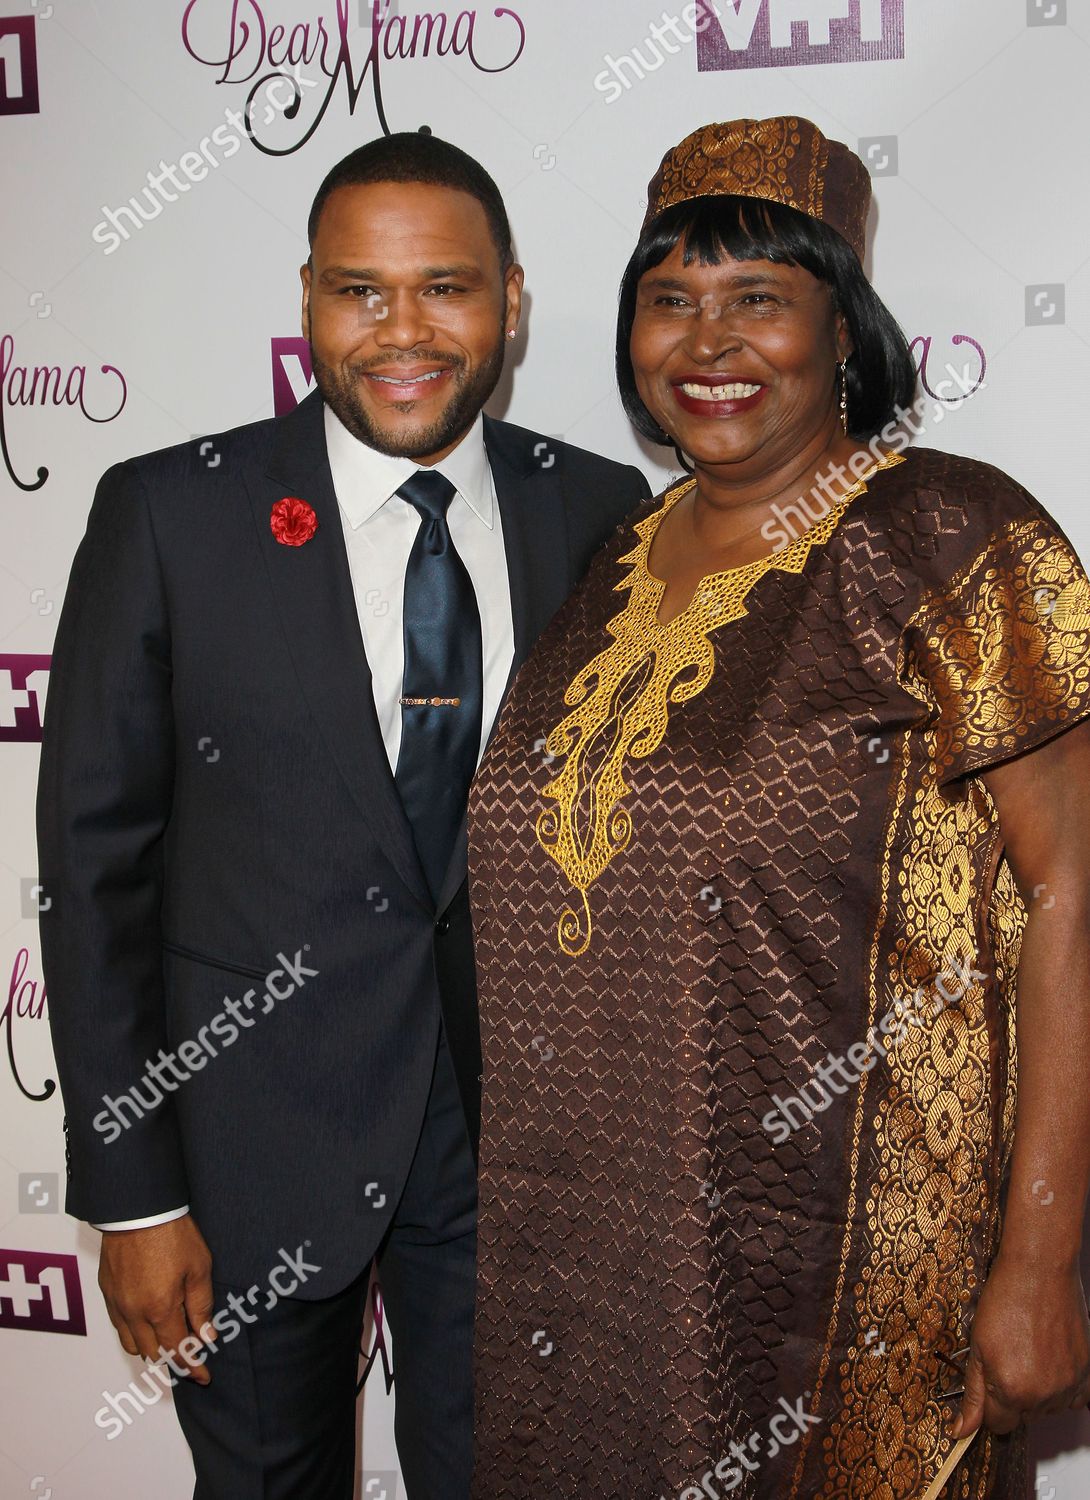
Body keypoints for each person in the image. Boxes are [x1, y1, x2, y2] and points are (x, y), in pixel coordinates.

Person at [467, 116, 1090, 1498]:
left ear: (844, 328)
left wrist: (1039, 1254)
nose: (707, 342)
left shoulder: (948, 535)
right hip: (576, 1267)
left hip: (847, 1268)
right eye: (668, 299)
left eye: (757, 300)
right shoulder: (607, 557)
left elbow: (1076, 891)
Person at [36, 130, 648, 1500]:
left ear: (513, 301)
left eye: (446, 287)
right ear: (306, 297)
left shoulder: (600, 511)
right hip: (248, 1138)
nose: (403, 331)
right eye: (359, 292)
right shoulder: (167, 516)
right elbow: (93, 868)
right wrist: (134, 1193)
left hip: (515, 1150)